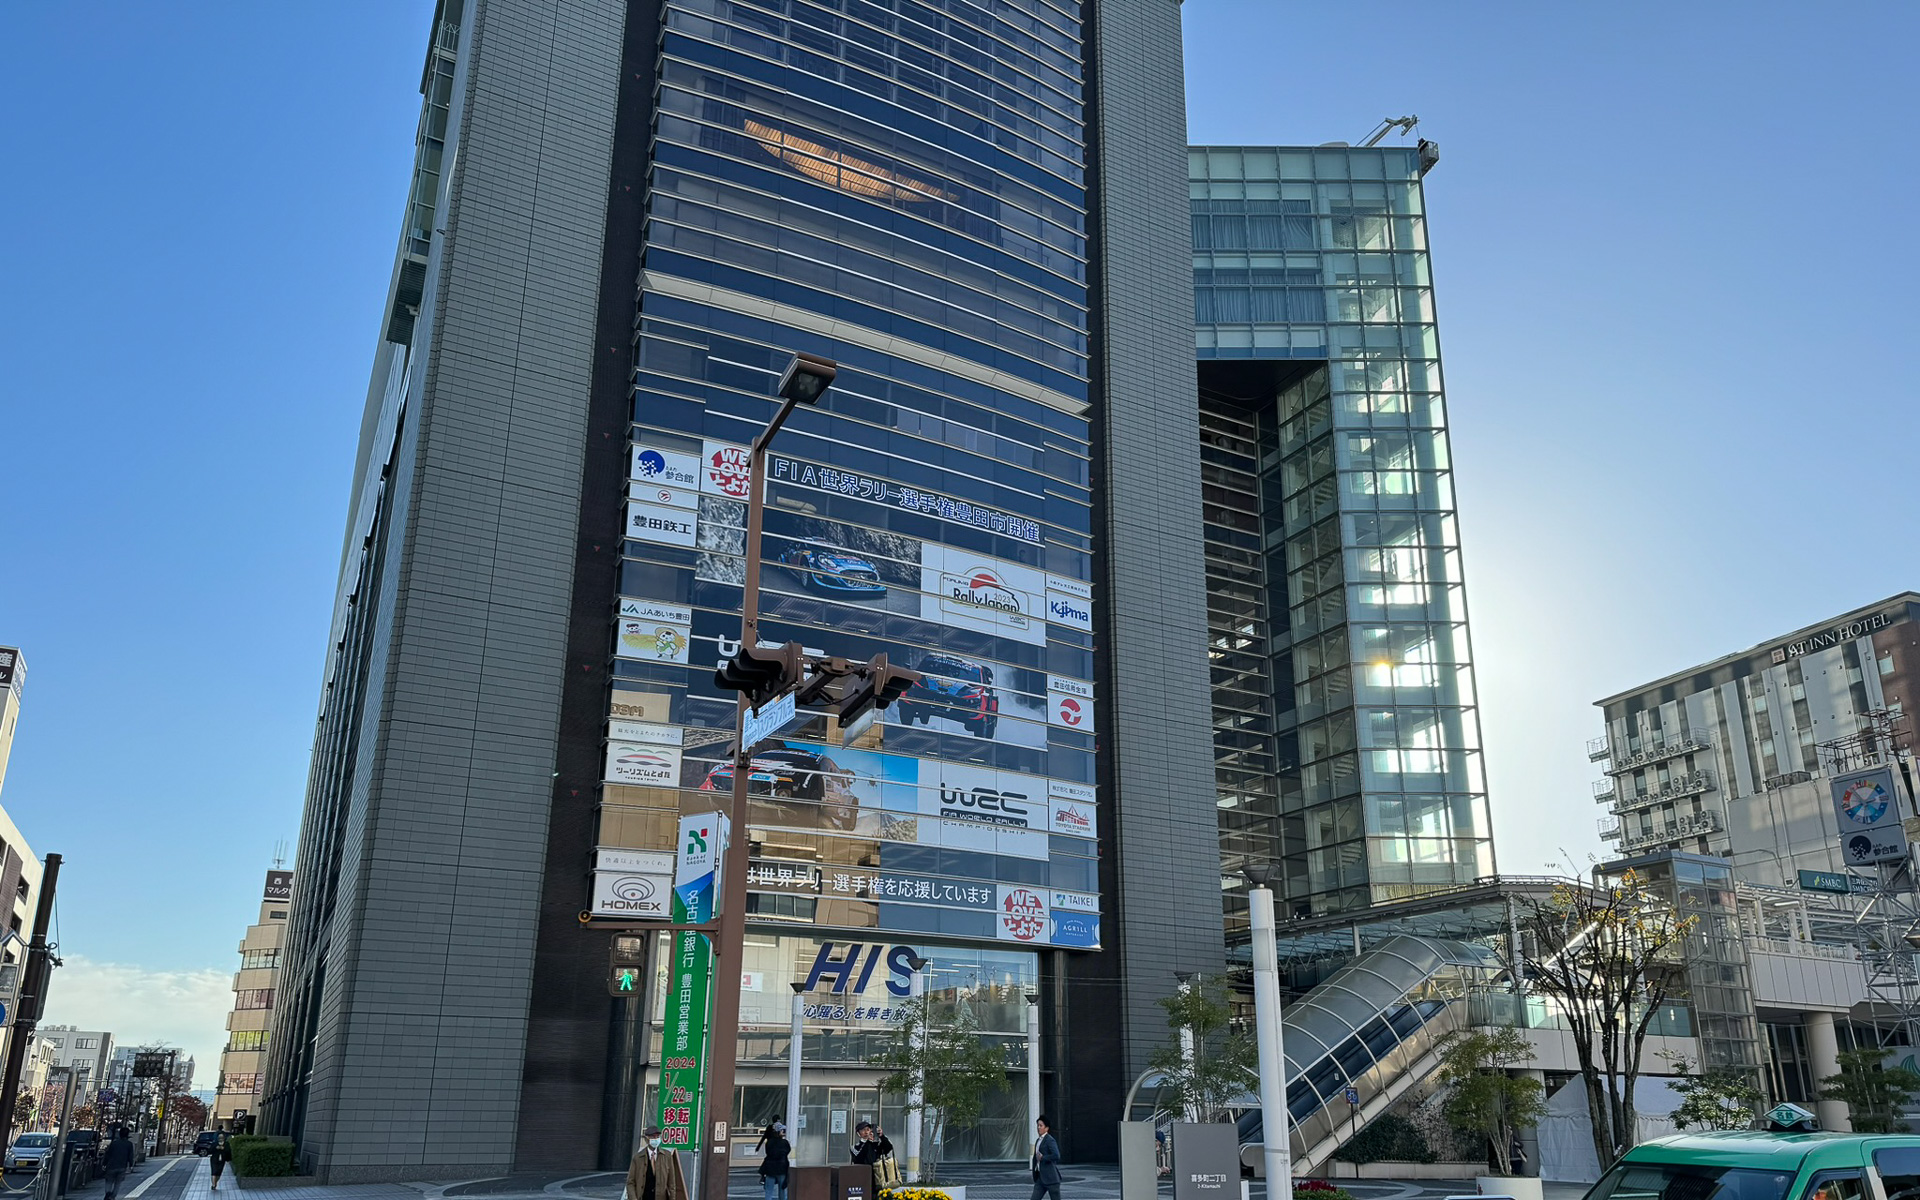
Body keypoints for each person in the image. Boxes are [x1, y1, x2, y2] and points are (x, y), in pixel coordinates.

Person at [625, 1125, 689, 1200]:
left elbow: (671, 1183)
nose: (655, 1139)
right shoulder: (637, 1158)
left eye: (657, 1137)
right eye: (652, 1137)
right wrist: (633, 1198)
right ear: (646, 1139)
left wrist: (672, 1198)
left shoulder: (666, 1156)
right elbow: (630, 1182)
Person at [1030, 1116, 1061, 1200]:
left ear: (1046, 1128)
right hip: (1040, 1178)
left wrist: (1043, 1158)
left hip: (1051, 1179)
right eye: (1038, 1125)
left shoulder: (1050, 1140)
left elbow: (1056, 1155)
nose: (1038, 1127)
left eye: (1041, 1125)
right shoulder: (1038, 1140)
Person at [758, 1121, 791, 1200]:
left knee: (769, 1191)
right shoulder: (784, 1143)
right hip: (782, 1169)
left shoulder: (769, 1142)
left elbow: (768, 1152)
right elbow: (787, 1151)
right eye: (782, 1131)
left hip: (770, 1169)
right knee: (782, 1190)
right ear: (779, 1131)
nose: (783, 1132)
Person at [101, 1126, 135, 1200]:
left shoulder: (114, 1143)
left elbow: (108, 1154)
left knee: (109, 1181)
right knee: (118, 1183)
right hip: (122, 1166)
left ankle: (108, 1193)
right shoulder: (129, 1144)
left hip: (111, 1165)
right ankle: (112, 1196)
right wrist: (131, 1165)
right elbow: (130, 1155)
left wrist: (104, 1163)